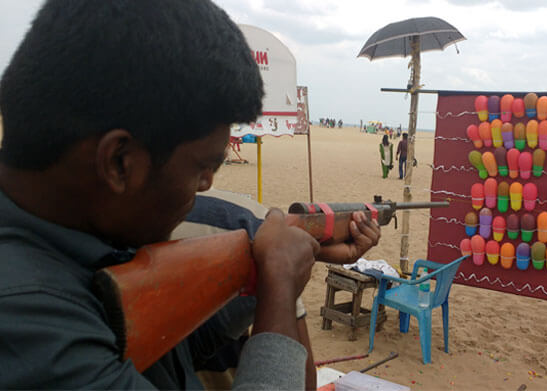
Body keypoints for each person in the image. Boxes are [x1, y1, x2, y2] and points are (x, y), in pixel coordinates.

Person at [0, 1, 380, 389]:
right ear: (119, 162)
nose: (206, 186)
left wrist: (276, 266)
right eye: (202, 168)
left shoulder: (80, 242)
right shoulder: (34, 334)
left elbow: (169, 350)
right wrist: (280, 288)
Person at [170, 188, 323, 391]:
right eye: (203, 166)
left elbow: (188, 346)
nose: (205, 180)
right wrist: (280, 276)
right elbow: (303, 379)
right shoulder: (249, 221)